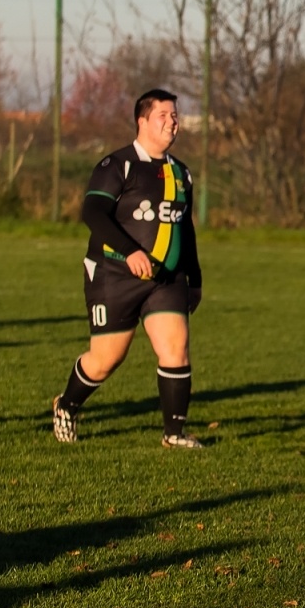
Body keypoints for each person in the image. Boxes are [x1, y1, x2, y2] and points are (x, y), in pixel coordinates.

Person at [51, 88, 204, 449]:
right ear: (142, 121)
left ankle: (174, 434)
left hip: (164, 280)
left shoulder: (182, 173)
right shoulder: (116, 165)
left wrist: (193, 278)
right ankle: (67, 406)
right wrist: (130, 251)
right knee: (106, 360)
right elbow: (93, 213)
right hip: (113, 274)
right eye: (163, 116)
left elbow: (186, 228)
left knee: (176, 347)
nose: (172, 122)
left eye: (175, 115)